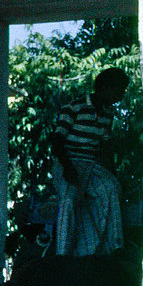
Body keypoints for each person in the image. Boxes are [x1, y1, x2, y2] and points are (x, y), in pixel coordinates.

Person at [51, 67, 129, 256]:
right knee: (69, 199)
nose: (121, 94)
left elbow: (105, 148)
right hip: (67, 162)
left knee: (111, 188)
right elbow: (57, 142)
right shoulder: (74, 107)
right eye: (119, 89)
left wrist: (113, 175)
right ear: (106, 87)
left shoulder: (107, 113)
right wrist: (69, 170)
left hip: (91, 165)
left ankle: (113, 246)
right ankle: (63, 253)